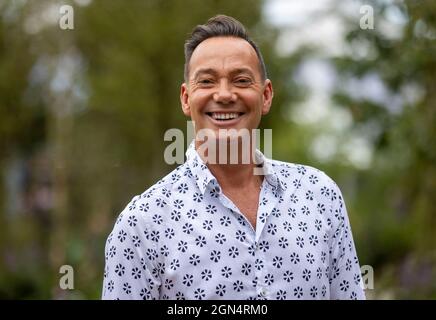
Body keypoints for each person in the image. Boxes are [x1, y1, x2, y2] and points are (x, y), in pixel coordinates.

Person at [102, 15, 365, 300]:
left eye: (241, 80)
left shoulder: (319, 197)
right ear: (186, 98)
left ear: (265, 96)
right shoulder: (142, 224)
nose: (225, 94)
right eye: (207, 81)